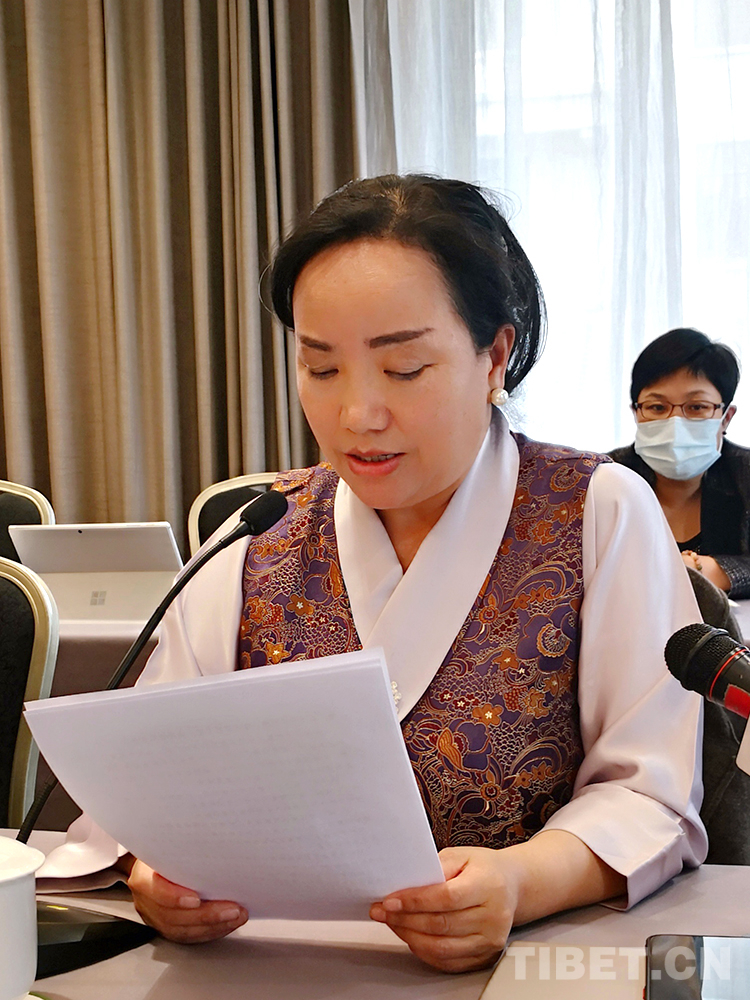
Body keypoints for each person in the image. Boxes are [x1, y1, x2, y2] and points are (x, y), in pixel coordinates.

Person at [40, 175, 706, 973]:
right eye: (321, 369)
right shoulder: (258, 535)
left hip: (525, 970)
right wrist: (161, 872)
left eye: (404, 369)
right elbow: (153, 784)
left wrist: (521, 882)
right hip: (268, 972)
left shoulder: (595, 511)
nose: (358, 414)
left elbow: (648, 790)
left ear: (494, 356)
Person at [609, 328, 750, 599]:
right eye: (657, 407)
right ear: (636, 413)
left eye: (696, 407)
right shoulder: (605, 476)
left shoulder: (745, 473)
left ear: (726, 417)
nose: (675, 423)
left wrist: (708, 570)